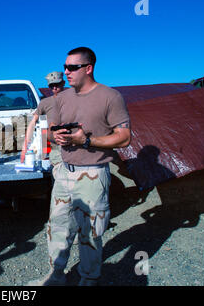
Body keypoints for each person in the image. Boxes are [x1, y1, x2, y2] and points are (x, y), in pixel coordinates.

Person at [29, 47, 131, 286]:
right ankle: (55, 276)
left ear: (88, 68)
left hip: (93, 176)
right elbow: (51, 132)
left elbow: (124, 137)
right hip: (64, 172)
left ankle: (89, 279)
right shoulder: (61, 98)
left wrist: (86, 140)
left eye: (72, 67)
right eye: (65, 67)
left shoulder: (110, 96)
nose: (66, 72)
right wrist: (60, 137)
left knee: (91, 232)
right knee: (57, 227)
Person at [20, 71, 65, 168]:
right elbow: (33, 123)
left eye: (57, 84)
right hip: (56, 148)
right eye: (52, 86)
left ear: (63, 83)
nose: (54, 88)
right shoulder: (45, 102)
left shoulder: (74, 99)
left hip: (74, 144)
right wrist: (24, 149)